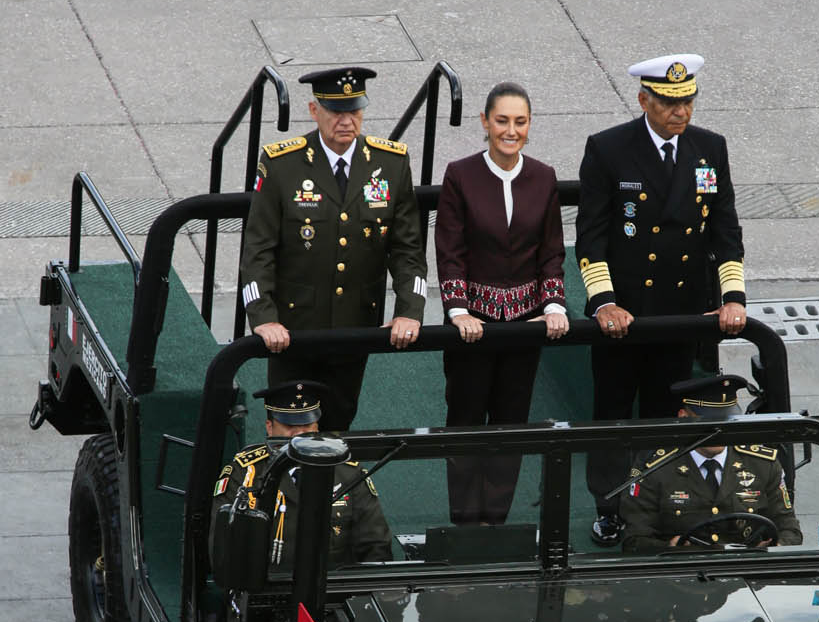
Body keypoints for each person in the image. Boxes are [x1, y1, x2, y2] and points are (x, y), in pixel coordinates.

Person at [575, 53, 748, 545]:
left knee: (666, 416)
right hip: (623, 318)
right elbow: (592, 237)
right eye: (670, 102)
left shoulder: (709, 149)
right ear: (644, 99)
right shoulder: (609, 150)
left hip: (681, 316)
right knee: (611, 417)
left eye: (688, 100)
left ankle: (659, 506)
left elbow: (725, 230)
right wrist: (604, 302)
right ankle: (608, 507)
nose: (682, 112)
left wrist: (732, 296)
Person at [240, 67, 428, 430]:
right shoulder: (282, 165)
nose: (346, 121)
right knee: (291, 429)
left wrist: (410, 310)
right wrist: (264, 318)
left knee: (338, 430)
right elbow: (257, 251)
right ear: (314, 111)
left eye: (354, 112)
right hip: (294, 332)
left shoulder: (390, 164)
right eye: (336, 112)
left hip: (354, 328)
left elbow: (408, 250)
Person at [434, 81, 569, 525]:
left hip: (524, 326)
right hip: (473, 326)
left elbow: (551, 250)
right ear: (485, 122)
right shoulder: (460, 174)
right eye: (502, 121)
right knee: (466, 420)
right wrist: (458, 311)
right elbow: (450, 250)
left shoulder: (544, 176)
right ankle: (462, 519)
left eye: (520, 122)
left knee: (511, 426)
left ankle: (496, 521)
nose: (511, 131)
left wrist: (553, 305)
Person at [210, 381, 392, 575]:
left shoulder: (347, 472)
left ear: (317, 425)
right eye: (289, 426)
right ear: (269, 428)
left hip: (333, 591)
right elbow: (222, 549)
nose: (298, 434)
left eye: (306, 425)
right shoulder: (245, 473)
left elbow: (376, 546)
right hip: (265, 591)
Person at [621, 373, 802, 554]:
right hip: (681, 571)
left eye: (725, 420)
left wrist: (774, 548)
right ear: (684, 417)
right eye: (707, 422)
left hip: (747, 567)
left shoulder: (762, 463)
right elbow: (635, 540)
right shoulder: (655, 468)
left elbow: (790, 529)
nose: (718, 430)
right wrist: (670, 547)